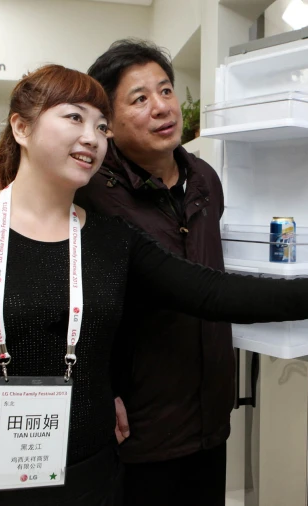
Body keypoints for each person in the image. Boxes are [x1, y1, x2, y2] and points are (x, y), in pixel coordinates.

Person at [0, 64, 308, 506]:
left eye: (100, 126)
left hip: (92, 479)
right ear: (21, 127)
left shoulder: (110, 239)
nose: (91, 137)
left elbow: (207, 291)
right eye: (73, 118)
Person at [73, 39, 235, 505]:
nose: (162, 107)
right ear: (108, 122)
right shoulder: (93, 195)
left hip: (210, 414)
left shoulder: (204, 178)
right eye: (139, 99)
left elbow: (210, 283)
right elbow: (72, 302)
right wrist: (99, 391)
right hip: (136, 423)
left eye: (165, 91)